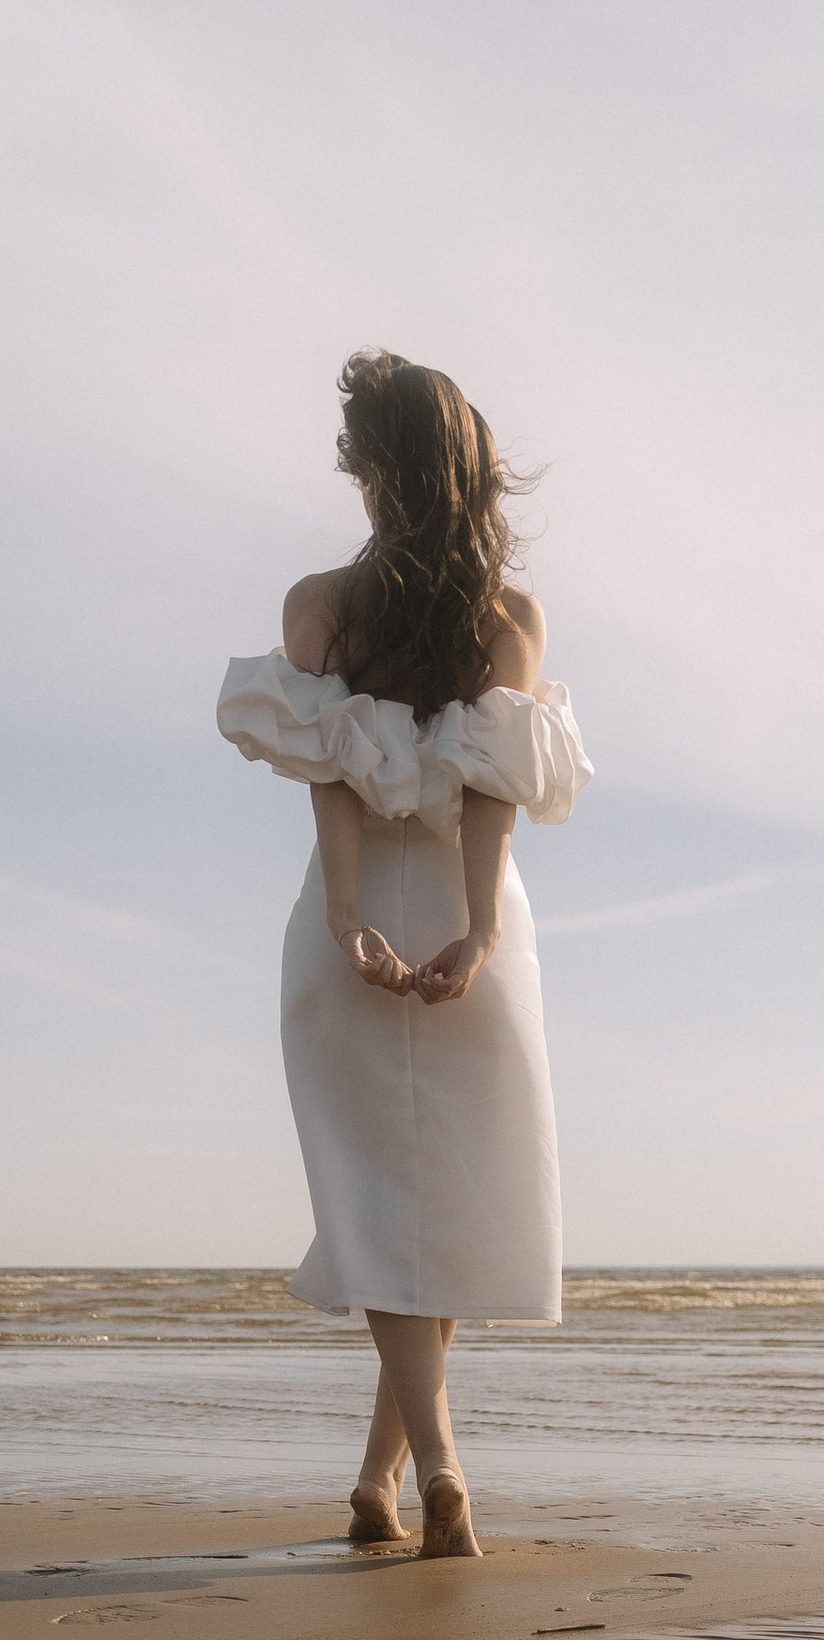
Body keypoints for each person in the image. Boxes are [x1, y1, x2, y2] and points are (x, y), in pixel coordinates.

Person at [218, 352, 592, 1559]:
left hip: (359, 901)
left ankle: (423, 1472)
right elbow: (490, 794)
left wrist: (345, 918)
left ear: (370, 471)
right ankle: (397, 1481)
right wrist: (476, 931)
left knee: (383, 1199)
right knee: (437, 1201)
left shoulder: (322, 602)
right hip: (470, 904)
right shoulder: (511, 620)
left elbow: (327, 780)